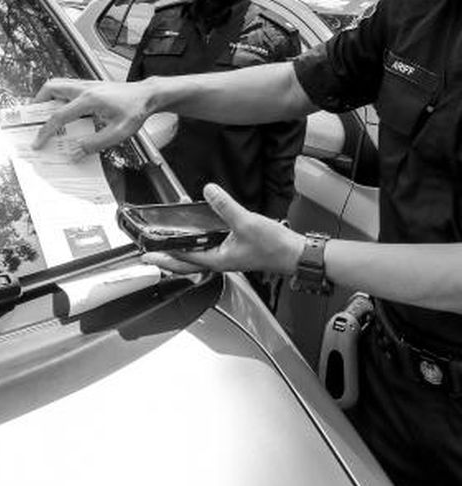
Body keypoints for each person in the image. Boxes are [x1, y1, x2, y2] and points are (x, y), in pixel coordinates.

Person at [31, 0, 462, 484]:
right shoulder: (412, 11)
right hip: (386, 371)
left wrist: (301, 255)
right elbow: (297, 83)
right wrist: (151, 94)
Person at [126, 0, 306, 309]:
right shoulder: (162, 22)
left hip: (230, 234)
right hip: (155, 223)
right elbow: (131, 114)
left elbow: (282, 155)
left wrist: (273, 232)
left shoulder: (274, 37)